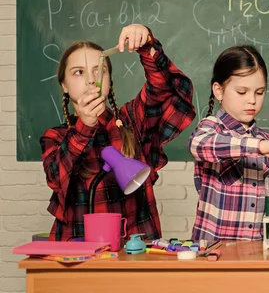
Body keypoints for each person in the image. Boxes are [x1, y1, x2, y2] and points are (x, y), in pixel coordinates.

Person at [41, 24, 196, 241]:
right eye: (78, 72)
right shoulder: (54, 137)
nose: (90, 80)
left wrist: (147, 46)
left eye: (99, 70)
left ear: (109, 80)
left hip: (134, 256)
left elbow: (170, 92)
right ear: (64, 85)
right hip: (76, 260)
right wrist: (85, 125)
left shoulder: (130, 122)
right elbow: (56, 177)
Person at [188, 45, 269, 240]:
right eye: (242, 92)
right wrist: (257, 146)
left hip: (257, 251)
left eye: (259, 92)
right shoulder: (211, 128)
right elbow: (199, 145)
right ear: (219, 91)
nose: (252, 100)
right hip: (214, 252)